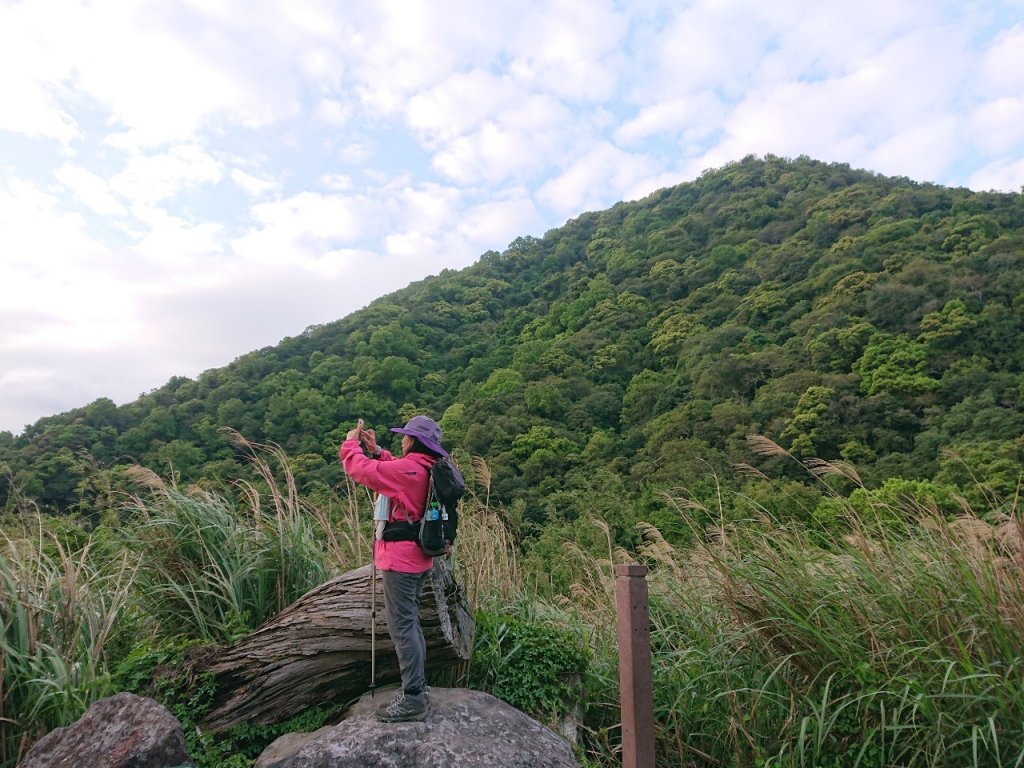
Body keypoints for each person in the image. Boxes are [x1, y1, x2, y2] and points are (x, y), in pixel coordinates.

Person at [338, 414, 449, 722]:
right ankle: (418, 689)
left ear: (414, 441)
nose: (402, 440)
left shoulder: (408, 469)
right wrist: (377, 451)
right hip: (418, 557)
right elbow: (392, 471)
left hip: (400, 560)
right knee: (410, 624)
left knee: (402, 627)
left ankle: (413, 698)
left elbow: (362, 471)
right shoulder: (425, 467)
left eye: (405, 436)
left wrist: (351, 443)